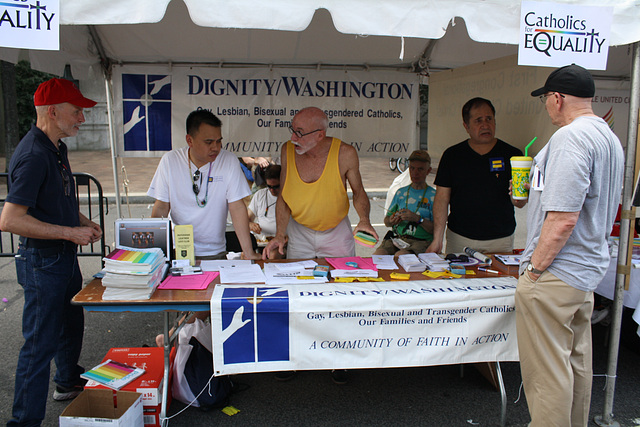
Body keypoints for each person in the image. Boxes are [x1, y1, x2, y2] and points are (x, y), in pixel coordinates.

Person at [516, 64, 623, 426]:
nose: (546, 106)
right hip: (585, 272)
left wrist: (534, 271)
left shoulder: (570, 138)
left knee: (547, 374)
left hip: (557, 271)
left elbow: (563, 218)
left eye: (546, 98)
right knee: (576, 364)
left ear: (558, 98)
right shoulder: (608, 137)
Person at [0, 78, 103, 426]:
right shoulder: (31, 155)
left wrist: (84, 223)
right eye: (77, 112)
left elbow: (58, 200)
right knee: (38, 346)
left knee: (72, 321)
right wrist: (70, 233)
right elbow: (11, 220)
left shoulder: (56, 146)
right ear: (52, 111)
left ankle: (67, 381)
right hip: (42, 261)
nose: (82, 119)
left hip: (62, 255)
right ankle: (23, 421)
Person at [264, 107, 378, 261]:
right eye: (292, 130)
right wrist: (279, 234)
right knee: (299, 279)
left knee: (341, 279)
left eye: (299, 132)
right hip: (299, 231)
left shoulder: (345, 153)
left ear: (320, 135)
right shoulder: (287, 150)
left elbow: (358, 192)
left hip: (336, 231)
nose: (293, 138)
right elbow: (283, 197)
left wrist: (364, 220)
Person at [148, 109, 260, 261]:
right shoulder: (170, 161)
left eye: (219, 141)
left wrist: (248, 251)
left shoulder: (228, 161)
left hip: (216, 252)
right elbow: (161, 206)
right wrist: (154, 250)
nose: (215, 147)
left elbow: (237, 207)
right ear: (190, 140)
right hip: (179, 250)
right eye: (208, 142)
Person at [426, 97, 524, 254]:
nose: (485, 125)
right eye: (478, 120)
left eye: (489, 119)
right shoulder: (452, 155)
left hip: (500, 239)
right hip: (460, 239)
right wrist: (437, 238)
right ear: (466, 126)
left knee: (499, 279)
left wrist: (519, 197)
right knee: (457, 278)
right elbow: (442, 198)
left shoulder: (513, 155)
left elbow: (519, 203)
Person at [374, 150, 435, 257]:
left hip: (421, 242)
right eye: (412, 168)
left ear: (428, 170)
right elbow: (387, 222)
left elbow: (436, 229)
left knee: (401, 256)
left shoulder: (433, 196)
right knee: (378, 256)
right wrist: (392, 220)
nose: (415, 173)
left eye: (420, 169)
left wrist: (418, 219)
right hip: (399, 239)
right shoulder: (401, 192)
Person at [248, 164, 283, 258]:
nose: (272, 190)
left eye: (276, 187)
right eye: (269, 186)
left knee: (273, 254)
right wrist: (250, 224)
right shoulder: (260, 195)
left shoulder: (289, 196)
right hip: (260, 240)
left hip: (282, 241)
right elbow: (246, 219)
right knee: (246, 255)